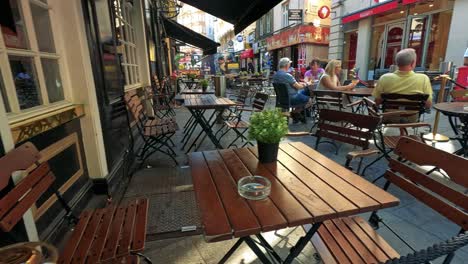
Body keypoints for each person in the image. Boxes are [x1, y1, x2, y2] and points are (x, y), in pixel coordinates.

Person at [273, 57, 312, 123]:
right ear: (286, 65)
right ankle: (293, 113)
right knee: (310, 100)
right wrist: (307, 83)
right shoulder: (287, 75)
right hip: (292, 98)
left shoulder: (276, 75)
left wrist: (300, 83)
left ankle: (297, 115)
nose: (290, 66)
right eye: (289, 64)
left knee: (303, 92)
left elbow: (292, 84)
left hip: (281, 99)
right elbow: (299, 87)